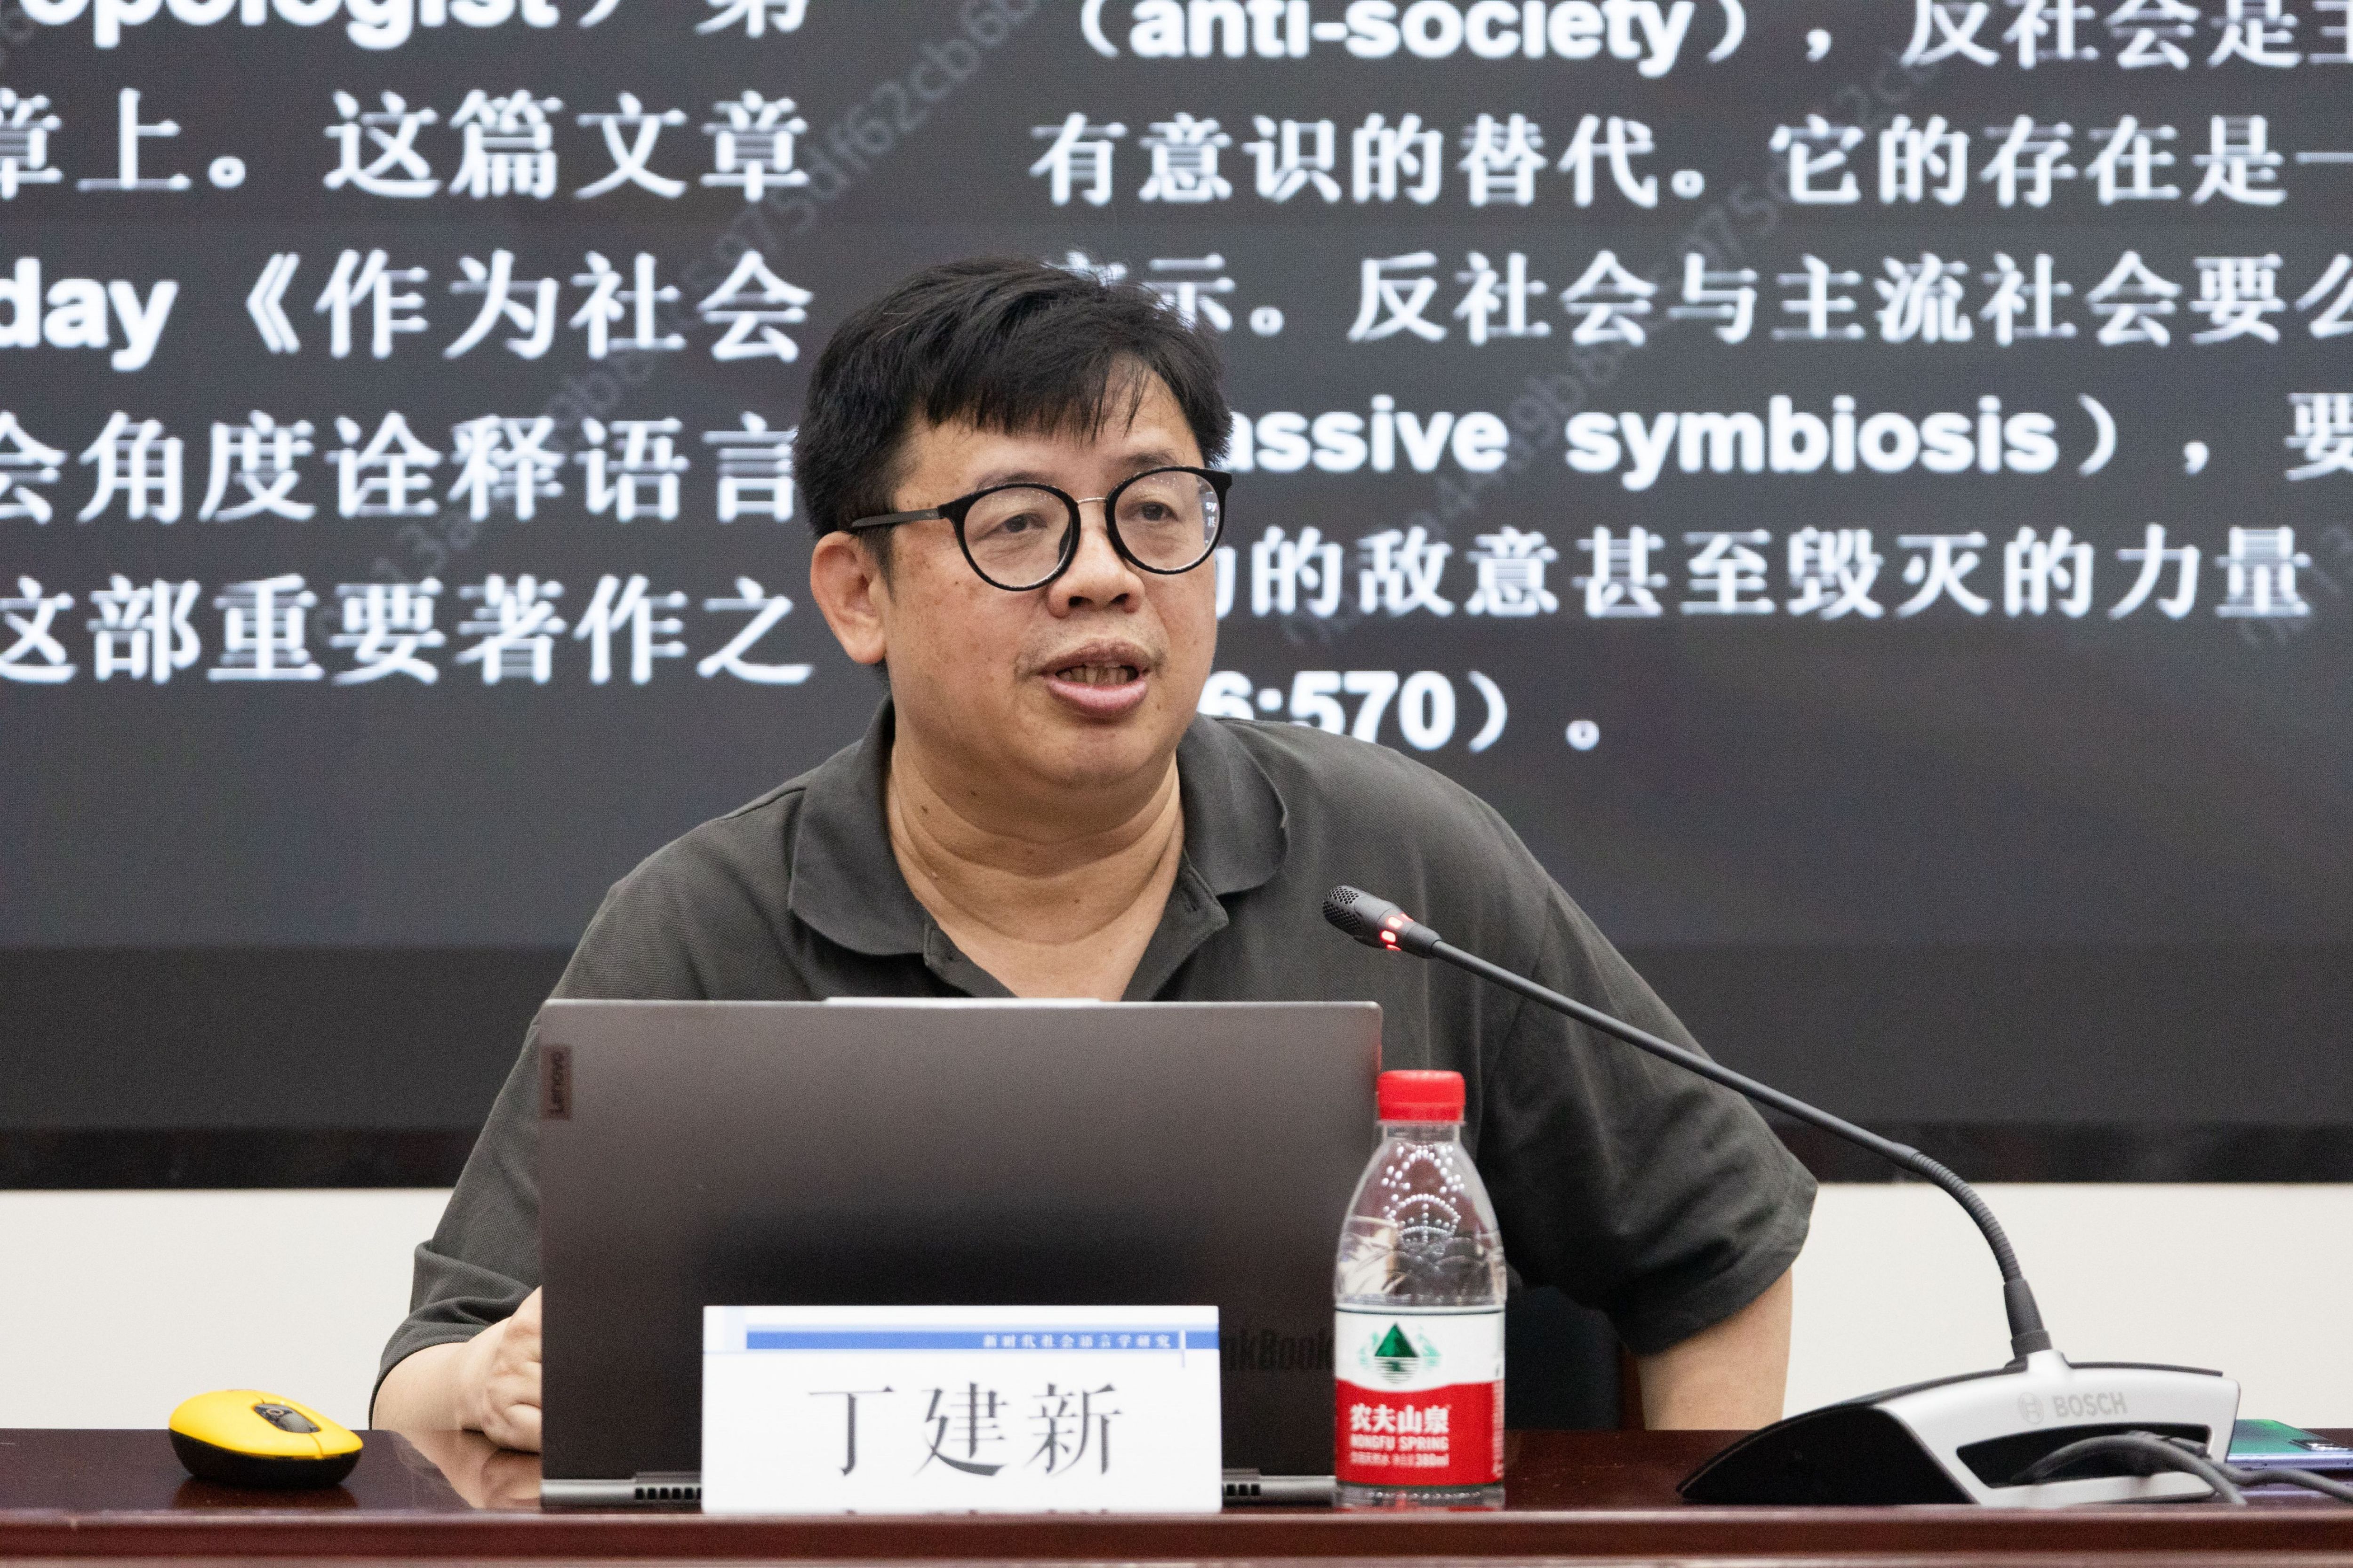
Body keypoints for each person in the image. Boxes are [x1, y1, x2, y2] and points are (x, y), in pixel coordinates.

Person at [373, 256, 1813, 1451]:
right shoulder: (707, 920)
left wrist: (1685, 1554)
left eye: (1155, 511)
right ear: (858, 591)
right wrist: (484, 1380)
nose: (1105, 575)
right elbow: (419, 1380)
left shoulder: (1398, 864)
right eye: (1018, 525)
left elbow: (1715, 1236)